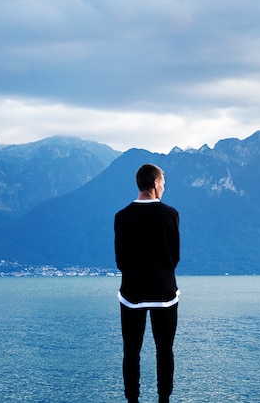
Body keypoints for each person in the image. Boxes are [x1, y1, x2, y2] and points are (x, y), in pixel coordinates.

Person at [114, 163, 181, 403]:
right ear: (154, 183)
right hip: (164, 292)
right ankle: (164, 400)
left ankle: (132, 400)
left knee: (131, 352)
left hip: (132, 292)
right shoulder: (170, 214)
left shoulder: (122, 216)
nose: (164, 187)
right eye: (162, 183)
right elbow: (175, 257)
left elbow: (120, 260)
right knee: (164, 351)